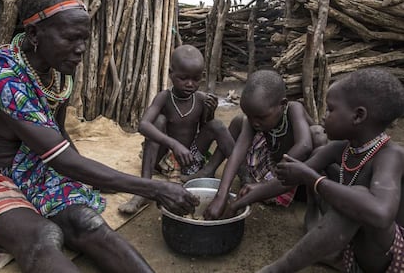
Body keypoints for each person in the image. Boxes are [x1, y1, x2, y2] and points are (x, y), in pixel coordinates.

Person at [0, 0, 199, 273]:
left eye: (85, 39)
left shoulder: (57, 73)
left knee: (86, 222)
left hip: (35, 166)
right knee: (42, 236)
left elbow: (59, 135)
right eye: (71, 38)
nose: (81, 50)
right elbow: (60, 159)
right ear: (35, 33)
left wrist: (94, 178)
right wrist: (152, 187)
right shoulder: (3, 76)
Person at [259, 68, 404, 273]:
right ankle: (321, 238)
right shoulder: (340, 149)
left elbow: (380, 213)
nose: (324, 116)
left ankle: (276, 270)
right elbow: (287, 180)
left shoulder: (392, 155)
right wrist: (240, 200)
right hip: (355, 255)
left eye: (330, 109)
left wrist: (313, 180)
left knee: (359, 199)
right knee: (330, 171)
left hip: (389, 262)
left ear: (358, 116)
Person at [119, 44, 234, 214]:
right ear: (171, 73)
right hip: (164, 157)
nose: (190, 84)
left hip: (189, 158)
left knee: (216, 125)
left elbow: (205, 130)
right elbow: (143, 125)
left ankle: (231, 174)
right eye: (183, 78)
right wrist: (173, 144)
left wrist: (210, 113)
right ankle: (143, 190)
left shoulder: (201, 99)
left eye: (196, 79)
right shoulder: (164, 98)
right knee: (158, 121)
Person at [204, 69, 316, 220]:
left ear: (282, 105)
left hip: (297, 177)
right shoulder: (255, 119)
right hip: (272, 164)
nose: (254, 122)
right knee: (239, 121)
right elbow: (237, 153)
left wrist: (267, 184)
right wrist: (221, 195)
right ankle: (213, 170)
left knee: (317, 133)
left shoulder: (294, 109)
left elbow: (304, 146)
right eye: (250, 115)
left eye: (260, 117)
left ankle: (314, 211)